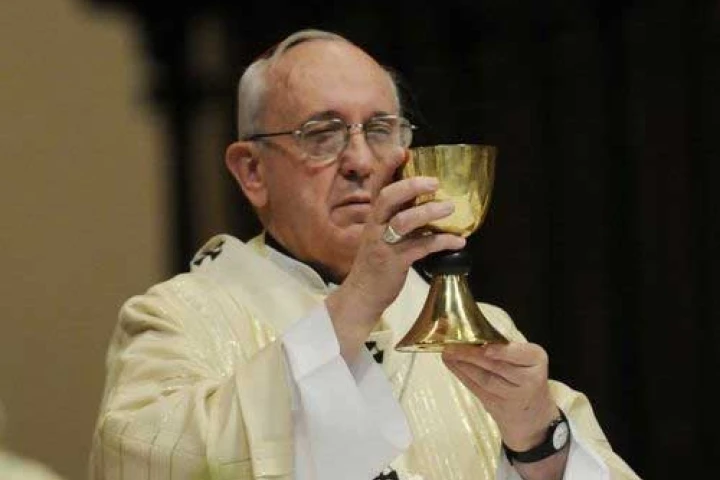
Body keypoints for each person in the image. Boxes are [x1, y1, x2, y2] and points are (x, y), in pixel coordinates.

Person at [88, 28, 640, 480]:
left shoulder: (477, 329)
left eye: (379, 130)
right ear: (252, 171)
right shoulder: (180, 318)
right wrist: (353, 307)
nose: (359, 161)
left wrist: (539, 444)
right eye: (322, 133)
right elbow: (145, 461)